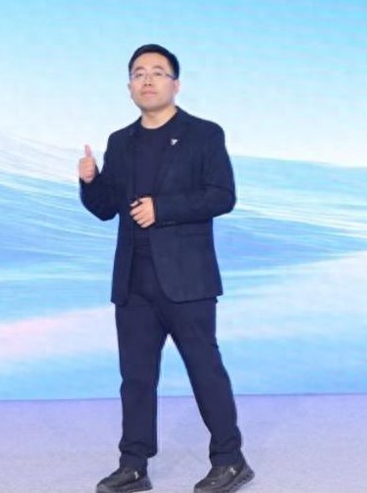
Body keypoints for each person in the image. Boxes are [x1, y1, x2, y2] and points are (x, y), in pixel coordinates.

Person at [79, 44, 254, 493]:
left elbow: (222, 196)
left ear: (176, 84)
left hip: (187, 278)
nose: (148, 79)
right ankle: (134, 464)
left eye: (158, 72)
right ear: (129, 87)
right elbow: (107, 208)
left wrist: (163, 209)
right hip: (133, 280)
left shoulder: (204, 134)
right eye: (139, 73)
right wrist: (89, 181)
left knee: (204, 369)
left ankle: (230, 460)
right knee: (136, 377)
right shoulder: (121, 141)